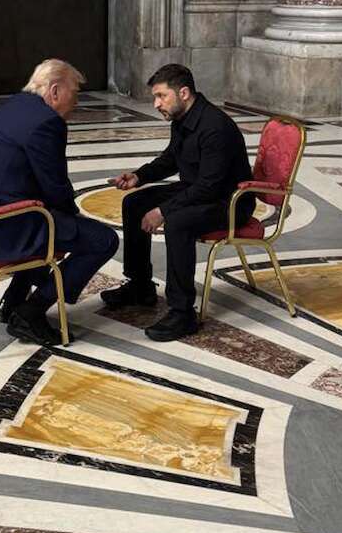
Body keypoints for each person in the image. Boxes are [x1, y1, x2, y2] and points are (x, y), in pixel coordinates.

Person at [0, 59, 119, 345]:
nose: (76, 102)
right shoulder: (47, 122)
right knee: (102, 240)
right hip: (7, 226)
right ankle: (31, 311)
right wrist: (75, 221)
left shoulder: (13, 106)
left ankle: (12, 300)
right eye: (74, 93)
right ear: (55, 90)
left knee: (53, 222)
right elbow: (55, 186)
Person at [103, 63, 253, 341]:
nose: (156, 103)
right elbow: (172, 158)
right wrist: (139, 176)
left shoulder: (215, 127)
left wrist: (163, 210)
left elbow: (210, 187)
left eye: (161, 96)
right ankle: (140, 286)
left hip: (228, 202)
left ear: (183, 93)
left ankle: (183, 312)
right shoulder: (183, 118)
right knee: (134, 203)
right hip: (199, 191)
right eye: (155, 97)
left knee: (178, 222)